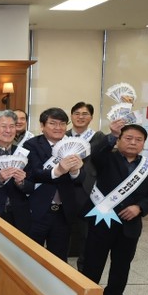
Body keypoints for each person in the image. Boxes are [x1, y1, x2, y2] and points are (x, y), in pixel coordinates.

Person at [82, 121, 148, 295]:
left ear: (144, 144)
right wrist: (111, 134)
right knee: (92, 265)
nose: (133, 142)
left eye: (138, 140)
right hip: (101, 223)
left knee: (121, 267)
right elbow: (97, 152)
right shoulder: (106, 158)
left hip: (129, 226)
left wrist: (140, 207)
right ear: (118, 140)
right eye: (128, 138)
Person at [24, 107, 84, 261]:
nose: (58, 127)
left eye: (62, 124)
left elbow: (80, 180)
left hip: (63, 212)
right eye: (53, 123)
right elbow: (33, 173)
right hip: (37, 211)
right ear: (42, 126)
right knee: (31, 256)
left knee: (59, 258)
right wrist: (58, 170)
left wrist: (75, 171)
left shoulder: (73, 145)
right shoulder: (31, 145)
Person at [67, 101, 105, 271]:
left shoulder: (98, 137)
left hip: (88, 189)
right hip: (65, 188)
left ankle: (83, 271)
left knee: (86, 233)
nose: (80, 117)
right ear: (71, 116)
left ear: (91, 117)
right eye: (77, 113)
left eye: (85, 114)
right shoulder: (63, 136)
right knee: (63, 231)